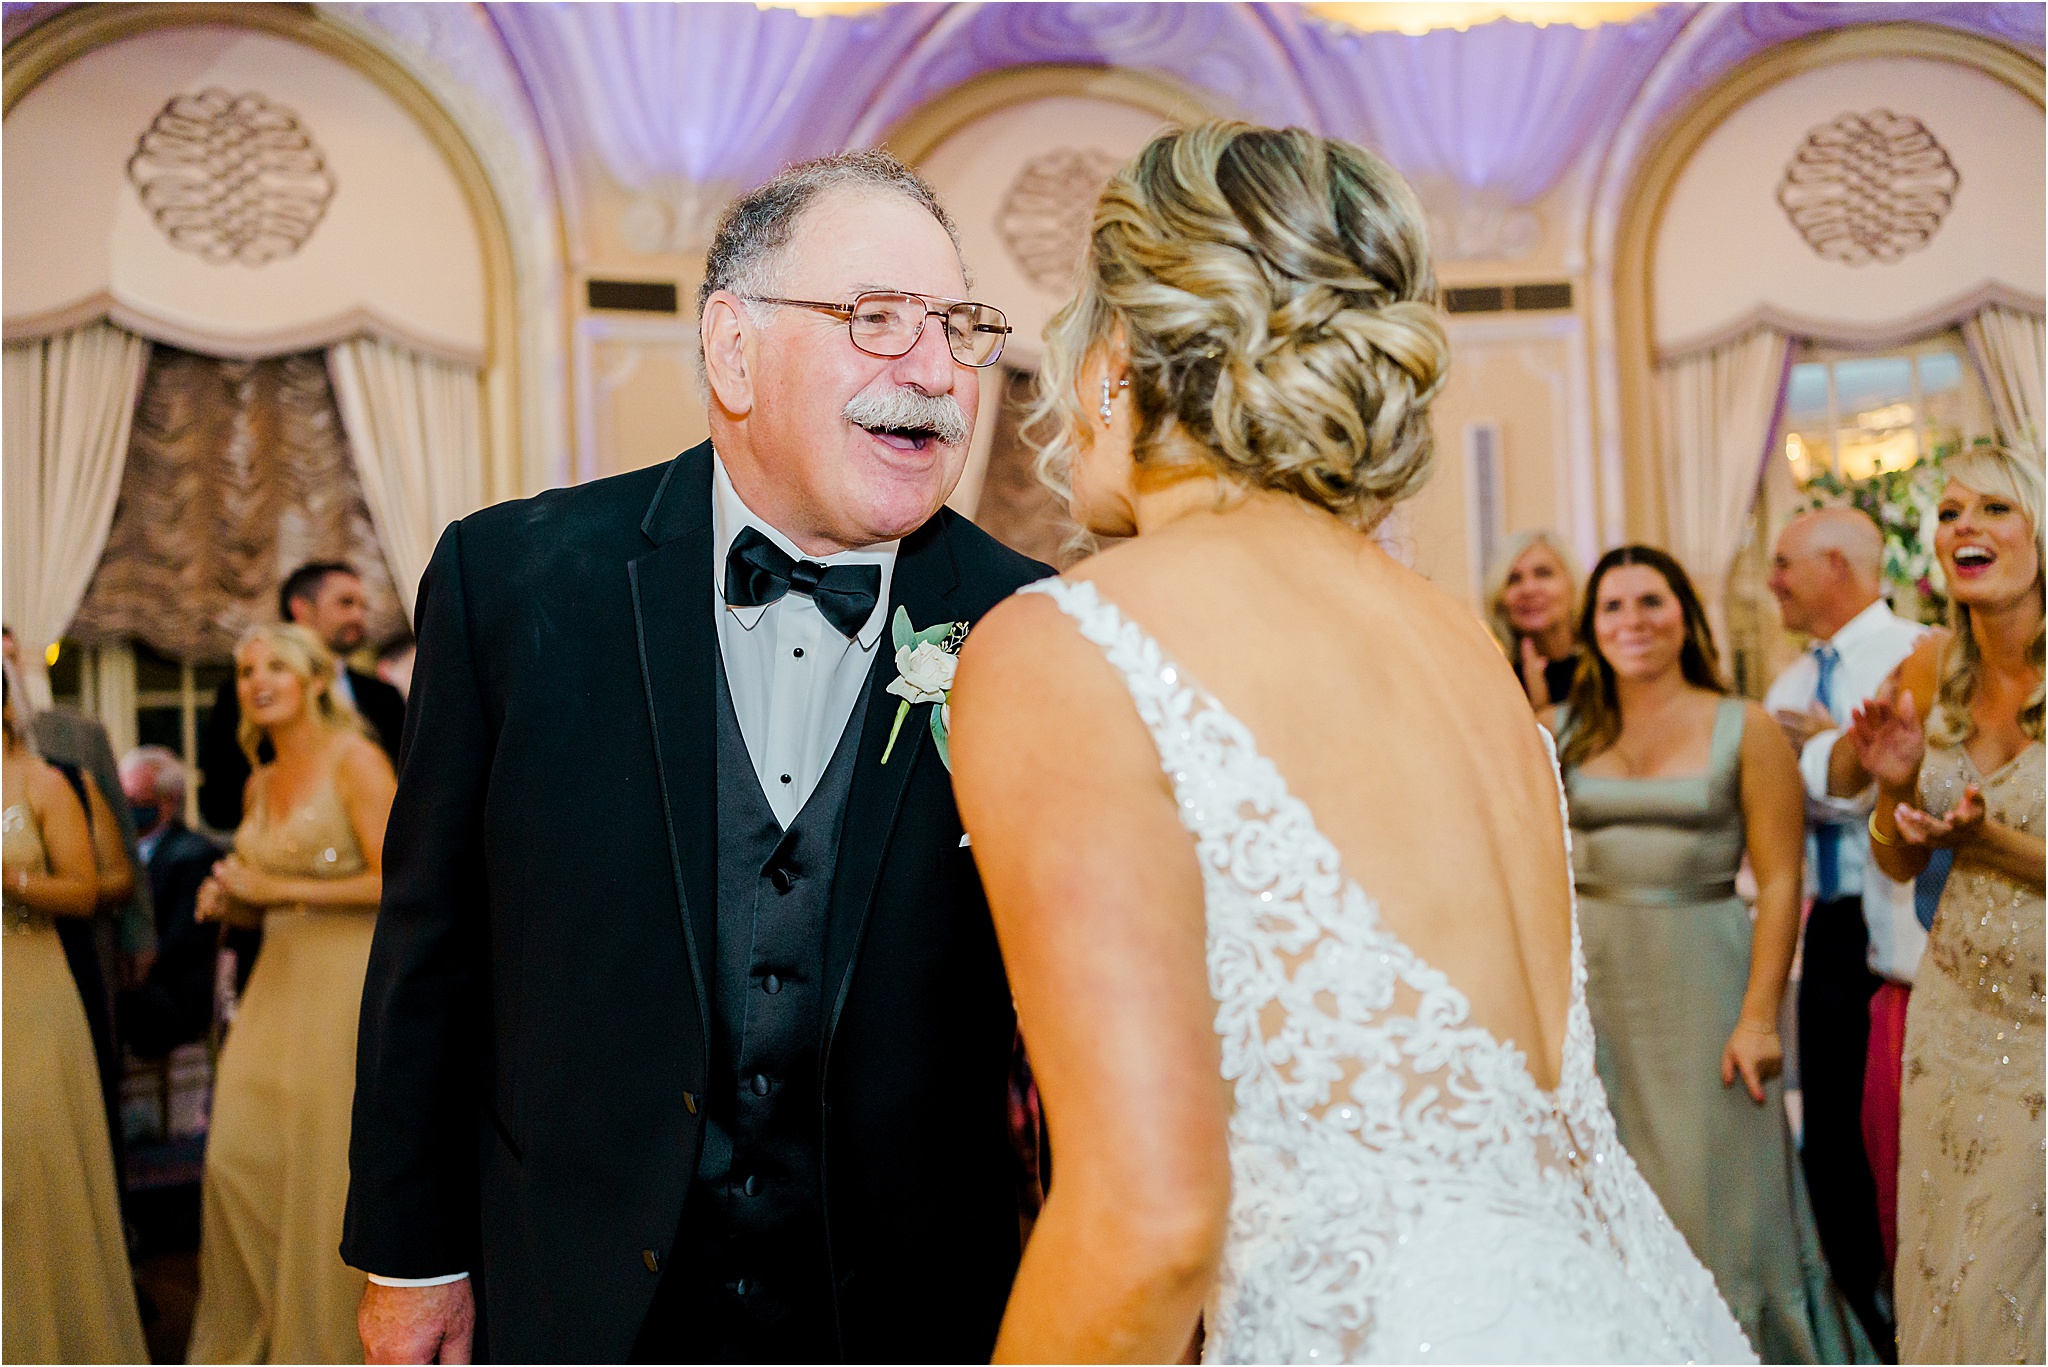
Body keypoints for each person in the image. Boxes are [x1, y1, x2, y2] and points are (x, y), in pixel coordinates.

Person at [950, 122, 1752, 1364]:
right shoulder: (1456, 642)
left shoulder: (1069, 642)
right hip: (1636, 1313)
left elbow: (1148, 1218)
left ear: (1117, 358)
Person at [345, 149, 1049, 1363]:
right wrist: (415, 1258)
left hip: (906, 1307)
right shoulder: (511, 583)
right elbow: (431, 952)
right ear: (732, 349)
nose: (934, 373)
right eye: (875, 320)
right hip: (576, 1282)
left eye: (959, 328)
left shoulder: (1032, 626)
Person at [1549, 544, 1867, 1362]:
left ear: (1685, 613)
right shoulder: (1561, 730)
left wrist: (1760, 1015)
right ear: (1590, 626)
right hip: (1593, 993)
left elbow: (1783, 874)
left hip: (1706, 986)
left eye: (1651, 600)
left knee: (1720, 1200)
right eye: (1613, 606)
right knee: (1610, 1197)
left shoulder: (1745, 724)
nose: (1634, 621)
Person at [1845, 444, 2044, 1364]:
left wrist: (1987, 842)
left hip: (2043, 1035)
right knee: (1940, 1270)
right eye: (1952, 511)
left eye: (1995, 508)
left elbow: (1982, 845)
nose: (1966, 525)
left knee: (2012, 1280)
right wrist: (1891, 790)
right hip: (1953, 1021)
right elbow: (1891, 864)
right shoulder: (1930, 671)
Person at [186, 624, 397, 1363]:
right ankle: (254, 1340)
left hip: (344, 982)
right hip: (274, 980)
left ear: (314, 678)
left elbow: (397, 879)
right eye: (245, 670)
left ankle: (327, 1343)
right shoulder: (258, 777)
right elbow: (261, 895)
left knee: (320, 1165)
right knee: (238, 1161)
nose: (258, 680)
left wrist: (274, 884)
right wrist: (232, 900)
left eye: (276, 664)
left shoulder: (358, 761)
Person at [1762, 506, 1929, 1354]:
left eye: (1784, 562)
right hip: (1832, 930)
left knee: (1903, 1141)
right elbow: (1782, 803)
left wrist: (1829, 750)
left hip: (1913, 933)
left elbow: (1867, 784)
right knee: (1832, 1143)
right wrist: (1827, 752)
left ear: (1836, 563)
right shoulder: (1789, 688)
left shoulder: (1919, 652)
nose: (1771, 581)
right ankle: (1865, 1322)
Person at [2, 660, 150, 1363]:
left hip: (33, 984)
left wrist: (12, 879)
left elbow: (97, 886)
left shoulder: (49, 776)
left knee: (31, 1159)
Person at [198, 563, 407, 832]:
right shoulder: (246, 696)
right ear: (302, 609)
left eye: (362, 606)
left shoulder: (384, 696)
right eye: (346, 603)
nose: (358, 616)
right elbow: (219, 800)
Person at [117, 745, 225, 1057]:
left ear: (168, 802)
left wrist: (128, 965)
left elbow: (181, 941)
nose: (127, 809)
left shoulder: (193, 854)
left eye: (137, 800)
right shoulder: (122, 852)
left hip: (171, 992)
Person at [1486, 528, 1584, 708]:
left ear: (1573, 584)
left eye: (1543, 573)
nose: (1528, 589)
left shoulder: (1606, 672)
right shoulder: (1494, 684)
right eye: (1514, 579)